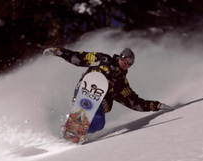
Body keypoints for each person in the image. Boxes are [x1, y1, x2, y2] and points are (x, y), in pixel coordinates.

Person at [43, 47, 174, 134]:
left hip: (99, 101)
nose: (126, 63)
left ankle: (72, 130)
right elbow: (80, 58)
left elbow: (134, 102)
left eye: (130, 62)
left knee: (99, 125)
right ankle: (82, 99)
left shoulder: (121, 82)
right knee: (93, 96)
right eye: (125, 59)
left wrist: (156, 105)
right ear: (120, 56)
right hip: (85, 87)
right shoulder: (103, 59)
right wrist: (58, 52)